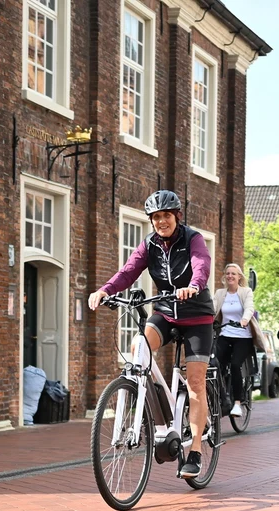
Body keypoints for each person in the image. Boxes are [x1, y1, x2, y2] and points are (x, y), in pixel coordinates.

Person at [88, 190, 214, 478]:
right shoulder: (149, 245)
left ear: (177, 217)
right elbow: (129, 271)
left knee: (195, 381)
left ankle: (194, 449)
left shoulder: (192, 239)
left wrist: (193, 285)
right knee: (138, 348)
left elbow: (201, 264)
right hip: (167, 312)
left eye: (166, 216)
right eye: (156, 218)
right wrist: (105, 290)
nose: (161, 222)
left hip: (196, 315)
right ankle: (153, 414)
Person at [213, 264, 256, 419]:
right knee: (215, 363)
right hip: (225, 333)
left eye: (234, 274)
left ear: (239, 277)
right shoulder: (220, 293)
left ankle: (237, 402)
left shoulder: (245, 292)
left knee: (236, 364)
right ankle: (221, 396)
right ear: (225, 276)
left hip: (243, 336)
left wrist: (244, 320)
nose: (230, 276)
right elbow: (212, 309)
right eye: (228, 273)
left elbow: (249, 308)